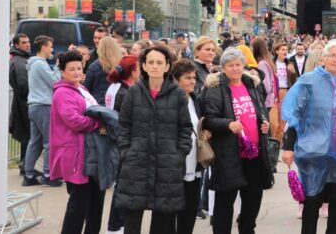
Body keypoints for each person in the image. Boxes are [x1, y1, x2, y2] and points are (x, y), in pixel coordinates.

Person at [282, 39, 336, 234]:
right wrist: (288, 147)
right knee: (312, 202)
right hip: (314, 154)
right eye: (333, 55)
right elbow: (294, 116)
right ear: (323, 58)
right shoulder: (308, 82)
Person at [116, 45, 192, 234]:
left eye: (160, 62)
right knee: (132, 221)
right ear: (144, 66)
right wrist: (126, 152)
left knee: (163, 222)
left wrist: (179, 155)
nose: (155, 66)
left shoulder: (178, 95)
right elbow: (124, 125)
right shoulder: (134, 92)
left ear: (167, 66)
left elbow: (185, 128)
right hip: (136, 165)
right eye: (151, 62)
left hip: (167, 167)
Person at [202, 48, 272, 234]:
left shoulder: (252, 85)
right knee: (225, 202)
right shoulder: (215, 89)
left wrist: (264, 123)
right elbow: (208, 118)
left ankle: (247, 230)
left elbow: (260, 111)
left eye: (238, 65)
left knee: (252, 200)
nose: (234, 69)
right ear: (223, 68)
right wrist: (228, 123)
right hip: (229, 155)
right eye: (230, 65)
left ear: (244, 66)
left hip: (254, 154)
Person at [50, 50, 106, 234]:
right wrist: (99, 124)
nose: (76, 72)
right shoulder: (63, 93)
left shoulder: (81, 88)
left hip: (89, 152)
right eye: (71, 69)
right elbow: (73, 120)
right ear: (62, 72)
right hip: (74, 154)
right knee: (79, 202)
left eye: (79, 68)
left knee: (95, 200)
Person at [103, 54, 139, 234]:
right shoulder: (126, 92)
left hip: (116, 141)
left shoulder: (115, 87)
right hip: (122, 143)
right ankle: (115, 225)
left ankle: (116, 224)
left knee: (121, 185)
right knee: (123, 186)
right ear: (133, 72)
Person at [173, 59, 209, 234]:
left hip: (194, 162)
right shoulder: (171, 101)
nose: (192, 81)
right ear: (176, 79)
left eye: (194, 78)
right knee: (173, 211)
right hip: (176, 165)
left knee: (190, 209)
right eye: (187, 78)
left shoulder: (195, 100)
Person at [23, 35, 63, 187]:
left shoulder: (34, 63)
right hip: (43, 106)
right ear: (44, 47)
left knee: (35, 142)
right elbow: (54, 81)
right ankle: (47, 174)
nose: (52, 49)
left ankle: (29, 174)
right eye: (51, 46)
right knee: (50, 141)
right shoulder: (40, 64)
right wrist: (59, 65)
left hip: (34, 105)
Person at [10, 33, 32, 176]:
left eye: (28, 41)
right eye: (24, 42)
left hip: (22, 103)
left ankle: (25, 163)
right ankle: (26, 164)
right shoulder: (19, 61)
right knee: (28, 136)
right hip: (24, 103)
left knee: (27, 136)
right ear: (17, 45)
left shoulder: (21, 59)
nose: (27, 44)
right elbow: (23, 85)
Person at [84, 36, 123, 105]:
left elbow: (86, 90)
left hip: (97, 104)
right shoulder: (120, 66)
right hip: (115, 103)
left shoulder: (93, 67)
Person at [271, 42, 297, 142]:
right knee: (274, 123)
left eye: (286, 50)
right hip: (273, 93)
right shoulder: (272, 63)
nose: (285, 52)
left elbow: (293, 81)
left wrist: (293, 72)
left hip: (285, 92)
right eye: (282, 49)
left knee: (282, 122)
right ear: (277, 51)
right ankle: (272, 141)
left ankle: (278, 144)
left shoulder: (289, 64)